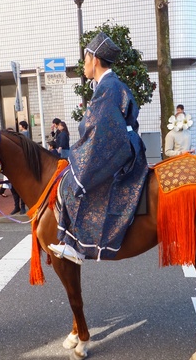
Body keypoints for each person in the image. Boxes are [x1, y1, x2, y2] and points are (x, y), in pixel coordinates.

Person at [48, 32, 149, 264]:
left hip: (121, 149)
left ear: (94, 59)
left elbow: (98, 130)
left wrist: (80, 158)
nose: (83, 65)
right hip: (124, 145)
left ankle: (77, 246)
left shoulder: (109, 87)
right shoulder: (108, 85)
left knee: (76, 188)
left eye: (84, 60)